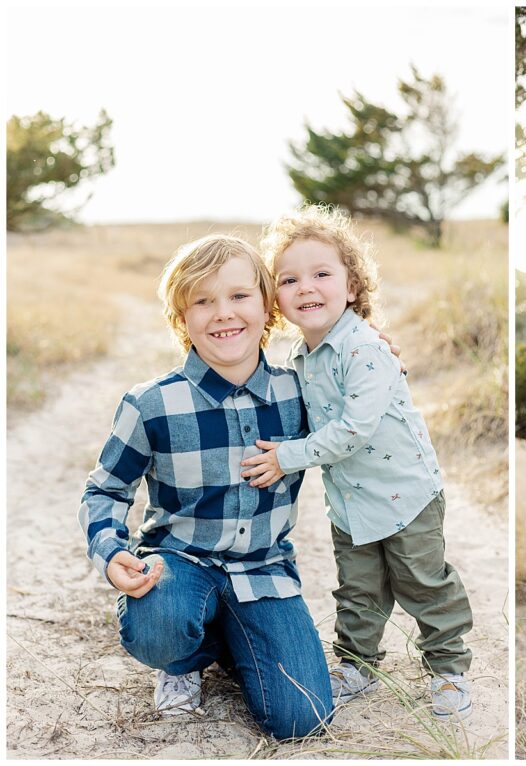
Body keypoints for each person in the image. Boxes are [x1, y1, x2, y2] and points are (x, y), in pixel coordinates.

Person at [79, 235, 333, 738]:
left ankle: (230, 637)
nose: (223, 314)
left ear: (268, 306)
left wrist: (376, 349)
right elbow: (105, 491)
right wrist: (110, 552)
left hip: (264, 569)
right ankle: (184, 659)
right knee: (160, 625)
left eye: (239, 296)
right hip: (180, 562)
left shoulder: (299, 392)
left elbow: (358, 407)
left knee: (303, 718)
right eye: (203, 301)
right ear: (182, 319)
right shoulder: (151, 403)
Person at [240, 205, 474, 722]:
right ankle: (357, 664)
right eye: (289, 279)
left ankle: (449, 670)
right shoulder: (304, 358)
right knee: (359, 586)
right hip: (351, 500)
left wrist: (285, 458)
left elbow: (351, 430)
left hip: (406, 494)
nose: (306, 287)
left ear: (351, 286)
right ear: (275, 299)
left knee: (422, 582)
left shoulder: (366, 349)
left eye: (322, 274)